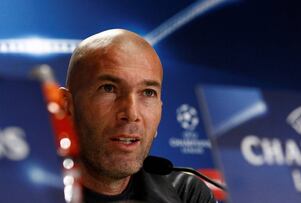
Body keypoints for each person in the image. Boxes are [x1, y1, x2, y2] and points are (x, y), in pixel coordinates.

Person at [61, 29, 216, 203]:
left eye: (148, 92)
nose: (131, 114)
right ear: (66, 106)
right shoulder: (31, 191)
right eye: (108, 88)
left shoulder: (186, 194)